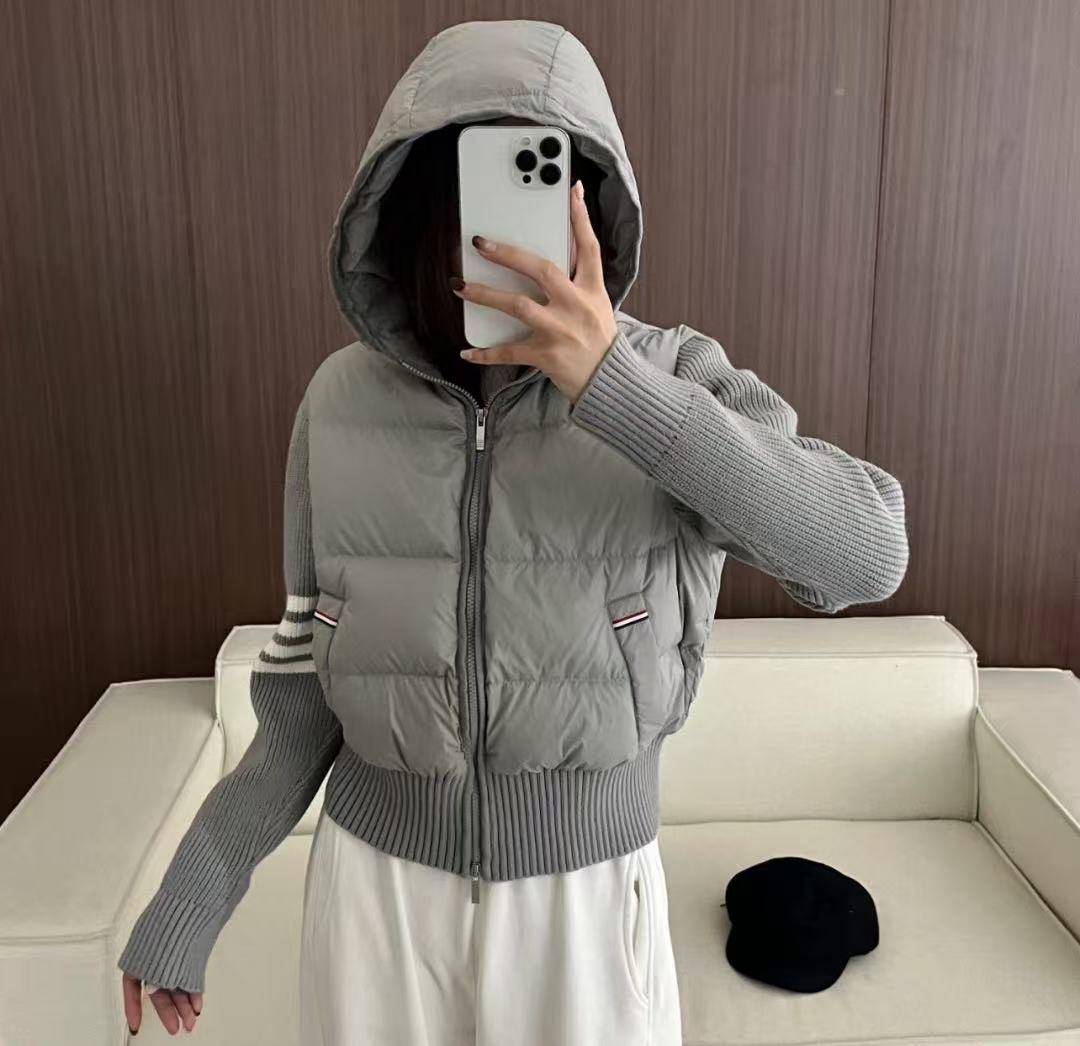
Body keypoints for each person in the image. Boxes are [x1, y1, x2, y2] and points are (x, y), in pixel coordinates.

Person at [117, 18, 909, 1045]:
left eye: (530, 191)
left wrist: (612, 387)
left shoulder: (669, 375)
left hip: (586, 905)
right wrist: (192, 896)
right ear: (402, 213)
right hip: (377, 906)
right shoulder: (339, 402)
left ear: (587, 207)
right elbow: (305, 689)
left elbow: (866, 552)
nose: (489, 236)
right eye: (459, 198)